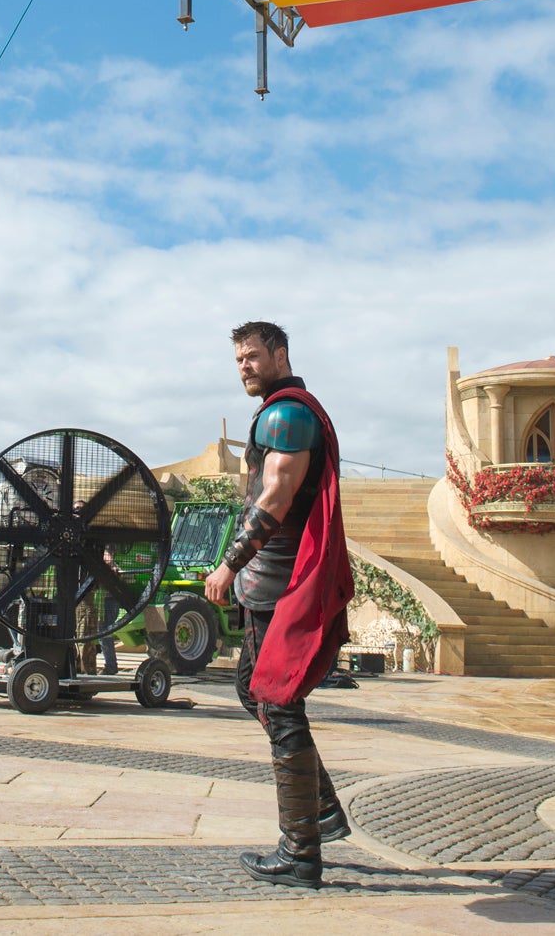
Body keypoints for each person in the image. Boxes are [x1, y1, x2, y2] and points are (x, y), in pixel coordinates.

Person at [205, 322, 354, 888]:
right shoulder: (280, 412)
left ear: (280, 354)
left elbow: (275, 498)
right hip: (269, 581)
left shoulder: (286, 415)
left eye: (252, 356)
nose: (244, 366)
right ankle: (319, 810)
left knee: (278, 702)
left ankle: (301, 852)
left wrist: (229, 565)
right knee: (254, 690)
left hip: (280, 581)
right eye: (238, 359)